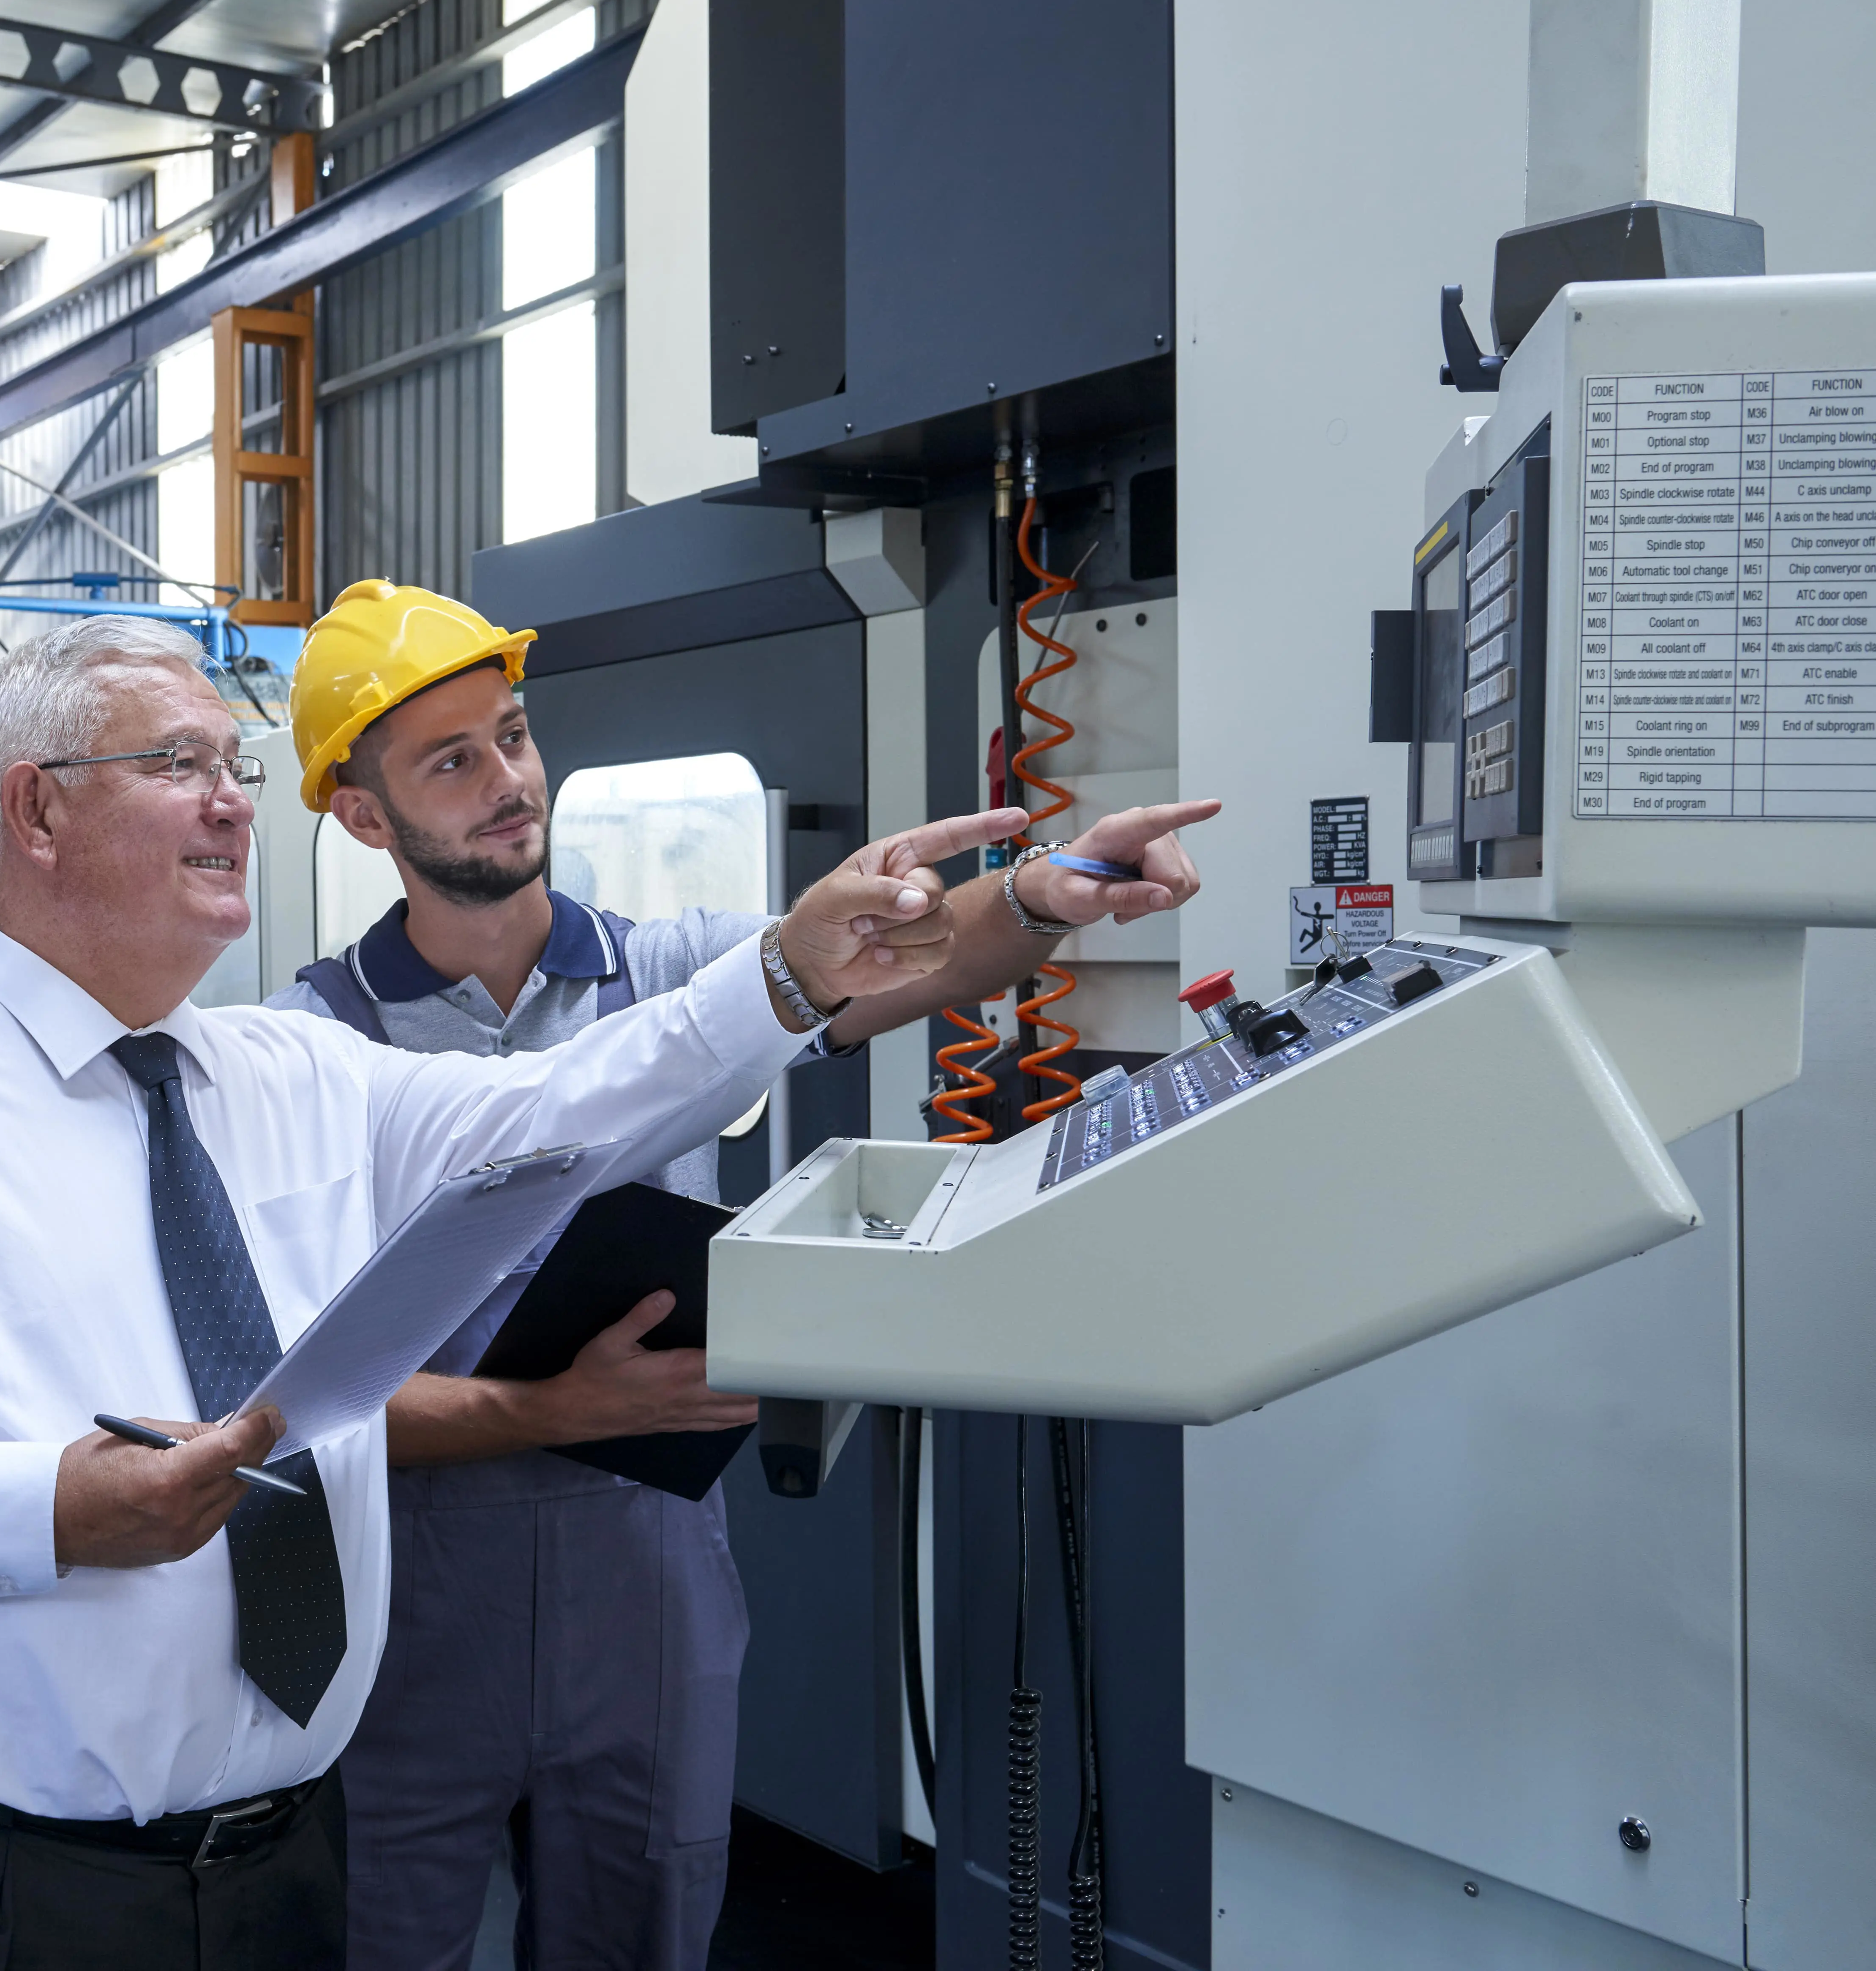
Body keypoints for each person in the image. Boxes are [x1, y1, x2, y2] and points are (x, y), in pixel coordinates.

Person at [0, 613, 1030, 1969]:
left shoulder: (291, 1077)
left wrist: (788, 976)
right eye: (181, 765)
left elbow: (563, 1106)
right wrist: (45, 1510)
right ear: (39, 809)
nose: (232, 808)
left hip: (290, 1864)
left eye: (235, 773)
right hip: (4, 1885)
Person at [274, 578, 1216, 1971]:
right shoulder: (312, 1045)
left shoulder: (676, 971)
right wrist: (546, 1412)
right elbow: (296, 1396)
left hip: (643, 1566)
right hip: (416, 1579)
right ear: (362, 815)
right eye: (452, 760)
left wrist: (1042, 891)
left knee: (646, 1925)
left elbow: (901, 964)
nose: (509, 782)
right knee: (384, 1938)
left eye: (515, 736)